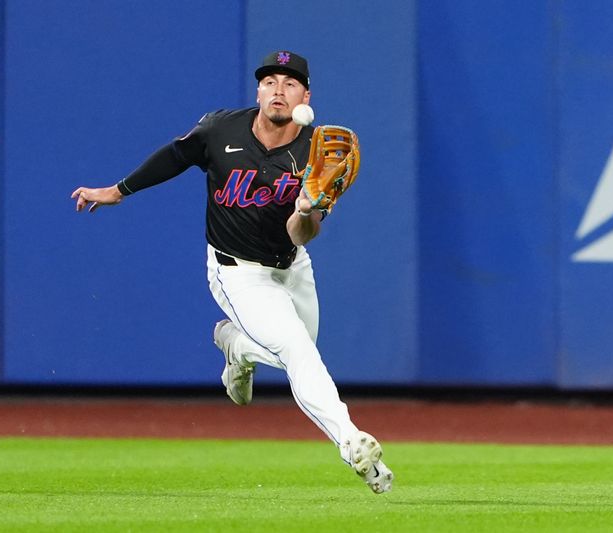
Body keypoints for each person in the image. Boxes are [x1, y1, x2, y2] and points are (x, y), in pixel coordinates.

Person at [71, 50, 393, 493]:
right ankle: (352, 442)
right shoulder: (221, 129)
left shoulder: (315, 151)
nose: (279, 89)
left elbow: (302, 236)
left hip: (292, 266)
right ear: (258, 90)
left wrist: (305, 209)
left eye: (290, 82)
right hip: (238, 271)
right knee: (299, 353)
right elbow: (175, 155)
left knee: (298, 354)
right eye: (270, 81)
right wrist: (118, 190)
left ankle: (236, 347)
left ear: (306, 94)